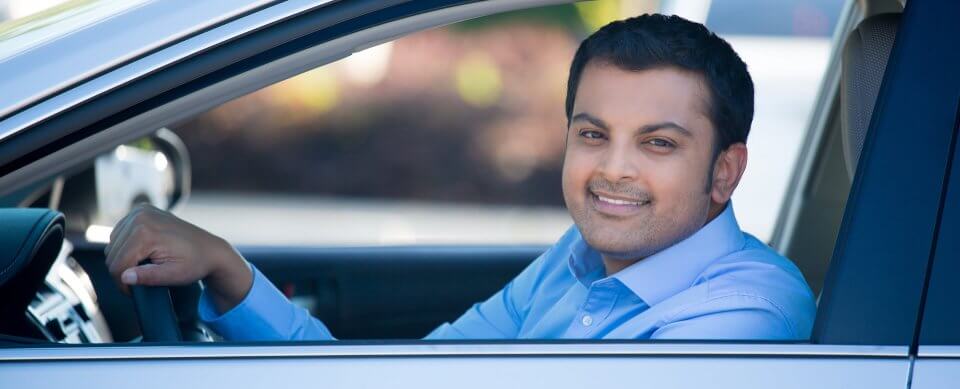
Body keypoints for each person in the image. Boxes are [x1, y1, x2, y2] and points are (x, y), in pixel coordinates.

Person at [105, 14, 815, 341]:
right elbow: (415, 380)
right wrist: (229, 271)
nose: (613, 168)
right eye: (592, 134)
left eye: (658, 143)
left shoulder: (747, 317)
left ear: (726, 171)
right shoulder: (574, 264)